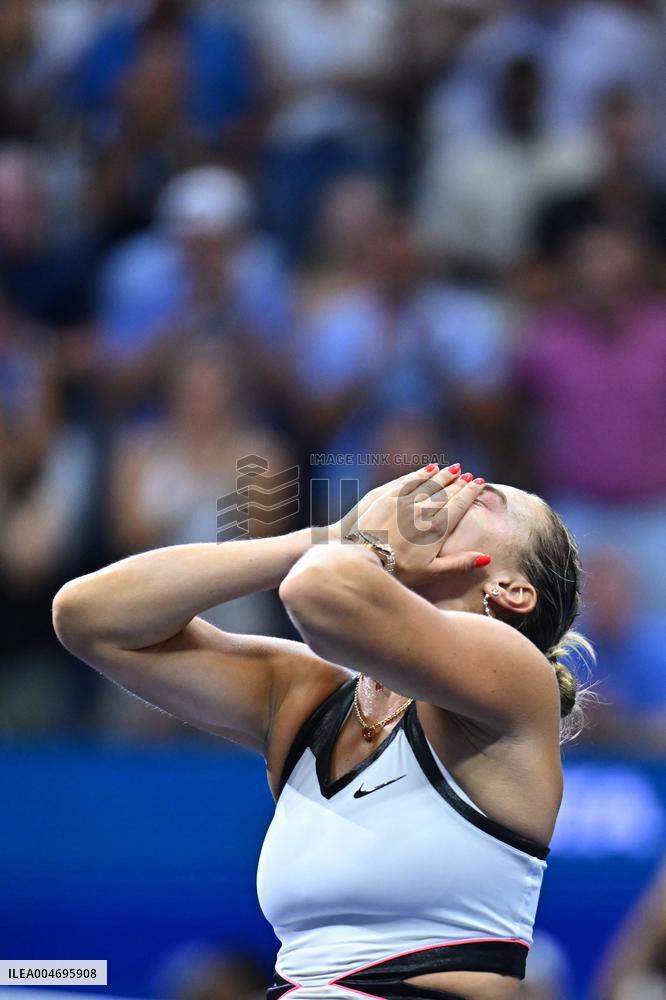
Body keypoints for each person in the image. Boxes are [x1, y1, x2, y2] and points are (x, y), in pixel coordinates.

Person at [53, 463, 591, 1000]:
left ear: (512, 590)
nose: (440, 497)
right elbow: (89, 617)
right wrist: (329, 538)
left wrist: (369, 546)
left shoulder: (518, 678)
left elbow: (317, 591)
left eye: (480, 500)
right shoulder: (310, 695)